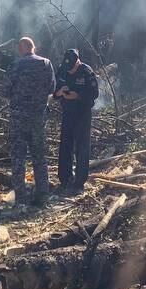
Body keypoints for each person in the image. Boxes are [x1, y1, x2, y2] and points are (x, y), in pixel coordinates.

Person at [3, 36, 55, 206]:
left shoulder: (16, 65)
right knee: (39, 157)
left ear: (22, 48)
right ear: (33, 47)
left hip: (19, 118)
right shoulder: (46, 64)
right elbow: (52, 88)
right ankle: (43, 195)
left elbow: (5, 90)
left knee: (18, 157)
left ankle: (21, 197)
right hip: (38, 117)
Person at [54, 47, 98, 194]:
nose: (70, 70)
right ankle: (65, 179)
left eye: (72, 67)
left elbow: (94, 93)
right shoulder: (62, 69)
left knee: (82, 148)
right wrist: (59, 93)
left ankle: (79, 182)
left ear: (77, 62)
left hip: (82, 114)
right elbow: (54, 90)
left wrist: (77, 95)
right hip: (67, 112)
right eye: (68, 68)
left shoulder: (87, 72)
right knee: (65, 146)